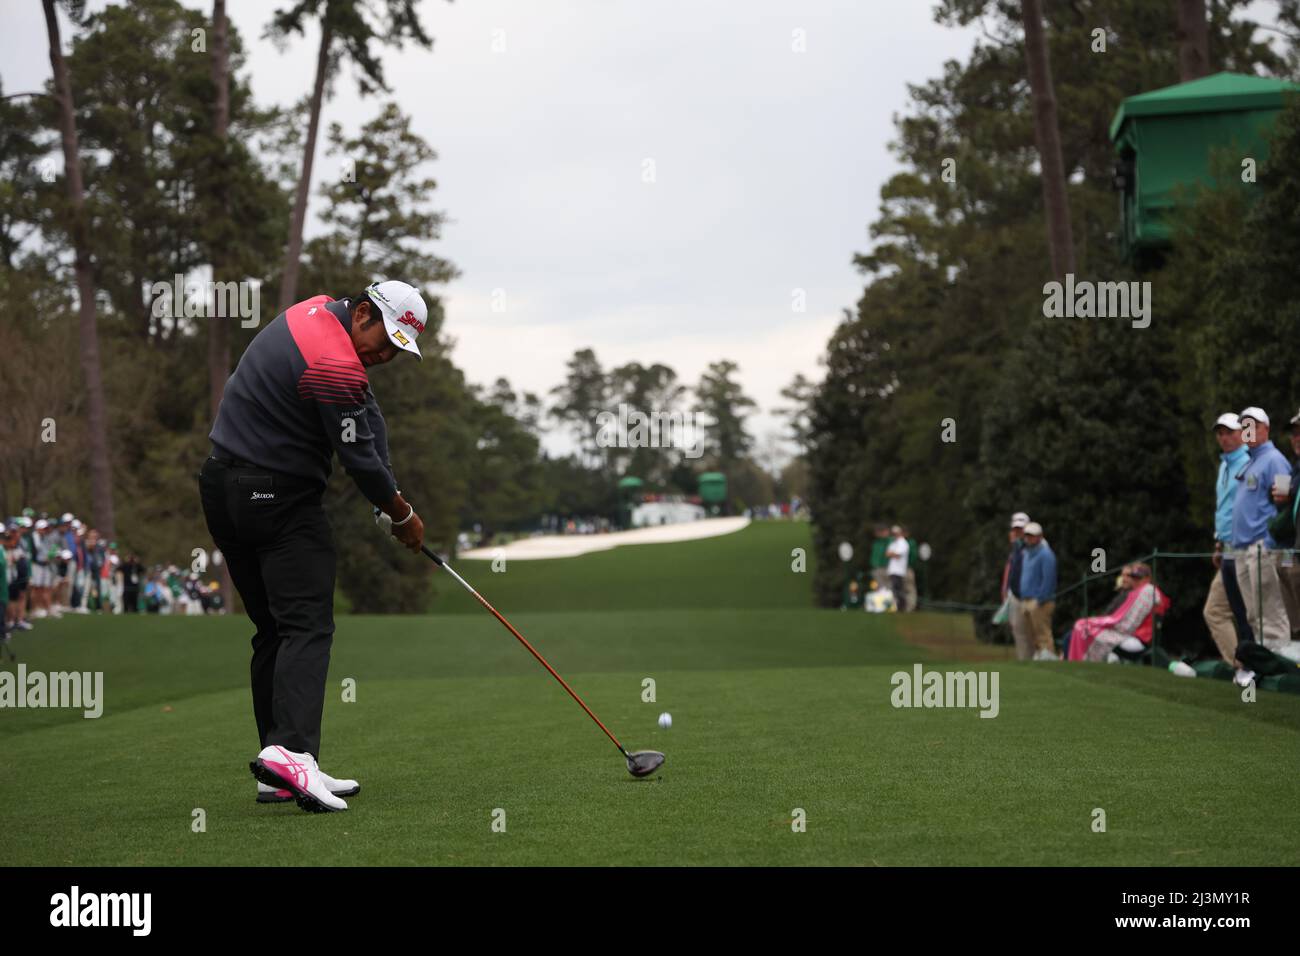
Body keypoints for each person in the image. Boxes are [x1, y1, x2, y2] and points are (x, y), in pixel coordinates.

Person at [199, 280, 428, 813]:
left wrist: (386, 497)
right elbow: (359, 459)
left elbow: (369, 420)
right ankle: (294, 753)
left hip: (221, 488)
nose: (386, 356)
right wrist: (403, 515)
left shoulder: (314, 314)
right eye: (386, 341)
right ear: (365, 313)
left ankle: (279, 768)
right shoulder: (337, 361)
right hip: (276, 497)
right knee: (307, 625)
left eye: (398, 349)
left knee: (275, 630)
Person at [1231, 407, 1292, 685]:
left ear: (1266, 428)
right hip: (1242, 549)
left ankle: (1282, 671)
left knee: (1270, 610)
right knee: (1254, 613)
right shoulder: (1250, 462)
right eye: (1244, 426)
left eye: (1253, 425)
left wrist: (1268, 542)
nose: (1248, 431)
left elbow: (1285, 503)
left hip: (1261, 546)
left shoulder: (1274, 460)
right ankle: (1263, 665)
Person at [1203, 413, 1254, 665]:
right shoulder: (1224, 465)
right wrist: (1218, 543)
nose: (1224, 438)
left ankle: (1257, 666)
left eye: (1229, 432)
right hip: (1227, 550)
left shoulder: (1248, 462)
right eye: (1220, 433)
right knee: (1215, 611)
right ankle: (1241, 665)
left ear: (1242, 434)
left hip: (1248, 550)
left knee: (1253, 614)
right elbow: (1224, 509)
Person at [1067, 564, 1170, 662]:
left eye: (1138, 578)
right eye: (1133, 577)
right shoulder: (1137, 592)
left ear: (1147, 578)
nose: (1135, 581)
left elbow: (1127, 624)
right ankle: (1081, 661)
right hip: (1130, 636)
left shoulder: (1147, 591)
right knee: (1081, 628)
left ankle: (1082, 661)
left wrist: (1100, 623)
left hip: (1138, 639)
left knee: (1084, 629)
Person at [1270, 407, 1300, 641]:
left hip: (1293, 551)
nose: (1296, 438)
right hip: (1291, 550)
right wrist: (1283, 500)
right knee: (1295, 623)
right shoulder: (1295, 468)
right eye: (1294, 433)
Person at [1018, 521, 1058, 660]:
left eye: (1032, 536)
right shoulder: (1027, 553)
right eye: (1027, 535)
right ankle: (1041, 659)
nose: (1029, 538)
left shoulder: (1046, 554)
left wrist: (1040, 599)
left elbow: (1049, 580)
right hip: (1026, 600)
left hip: (1040, 602)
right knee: (1033, 636)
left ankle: (1050, 659)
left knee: (1043, 635)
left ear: (1040, 536)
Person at [1002, 512, 1032, 660]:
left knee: (1031, 635)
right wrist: (1006, 592)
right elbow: (1010, 571)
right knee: (1019, 633)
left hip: (1029, 597)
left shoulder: (1033, 547)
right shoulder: (1015, 549)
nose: (1018, 532)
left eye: (1021, 529)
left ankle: (1036, 666)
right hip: (1015, 596)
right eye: (1016, 529)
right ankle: (1025, 663)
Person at [886, 525, 910, 612]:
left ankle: (902, 607)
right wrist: (893, 554)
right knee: (895, 589)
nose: (894, 535)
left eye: (896, 533)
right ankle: (899, 607)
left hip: (899, 570)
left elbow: (897, 555)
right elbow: (887, 554)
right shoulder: (894, 543)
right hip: (893, 570)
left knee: (898, 589)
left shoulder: (903, 543)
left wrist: (893, 554)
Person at [869, 526, 890, 592]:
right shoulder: (876, 543)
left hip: (887, 568)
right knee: (879, 589)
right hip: (877, 569)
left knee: (889, 589)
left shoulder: (891, 541)